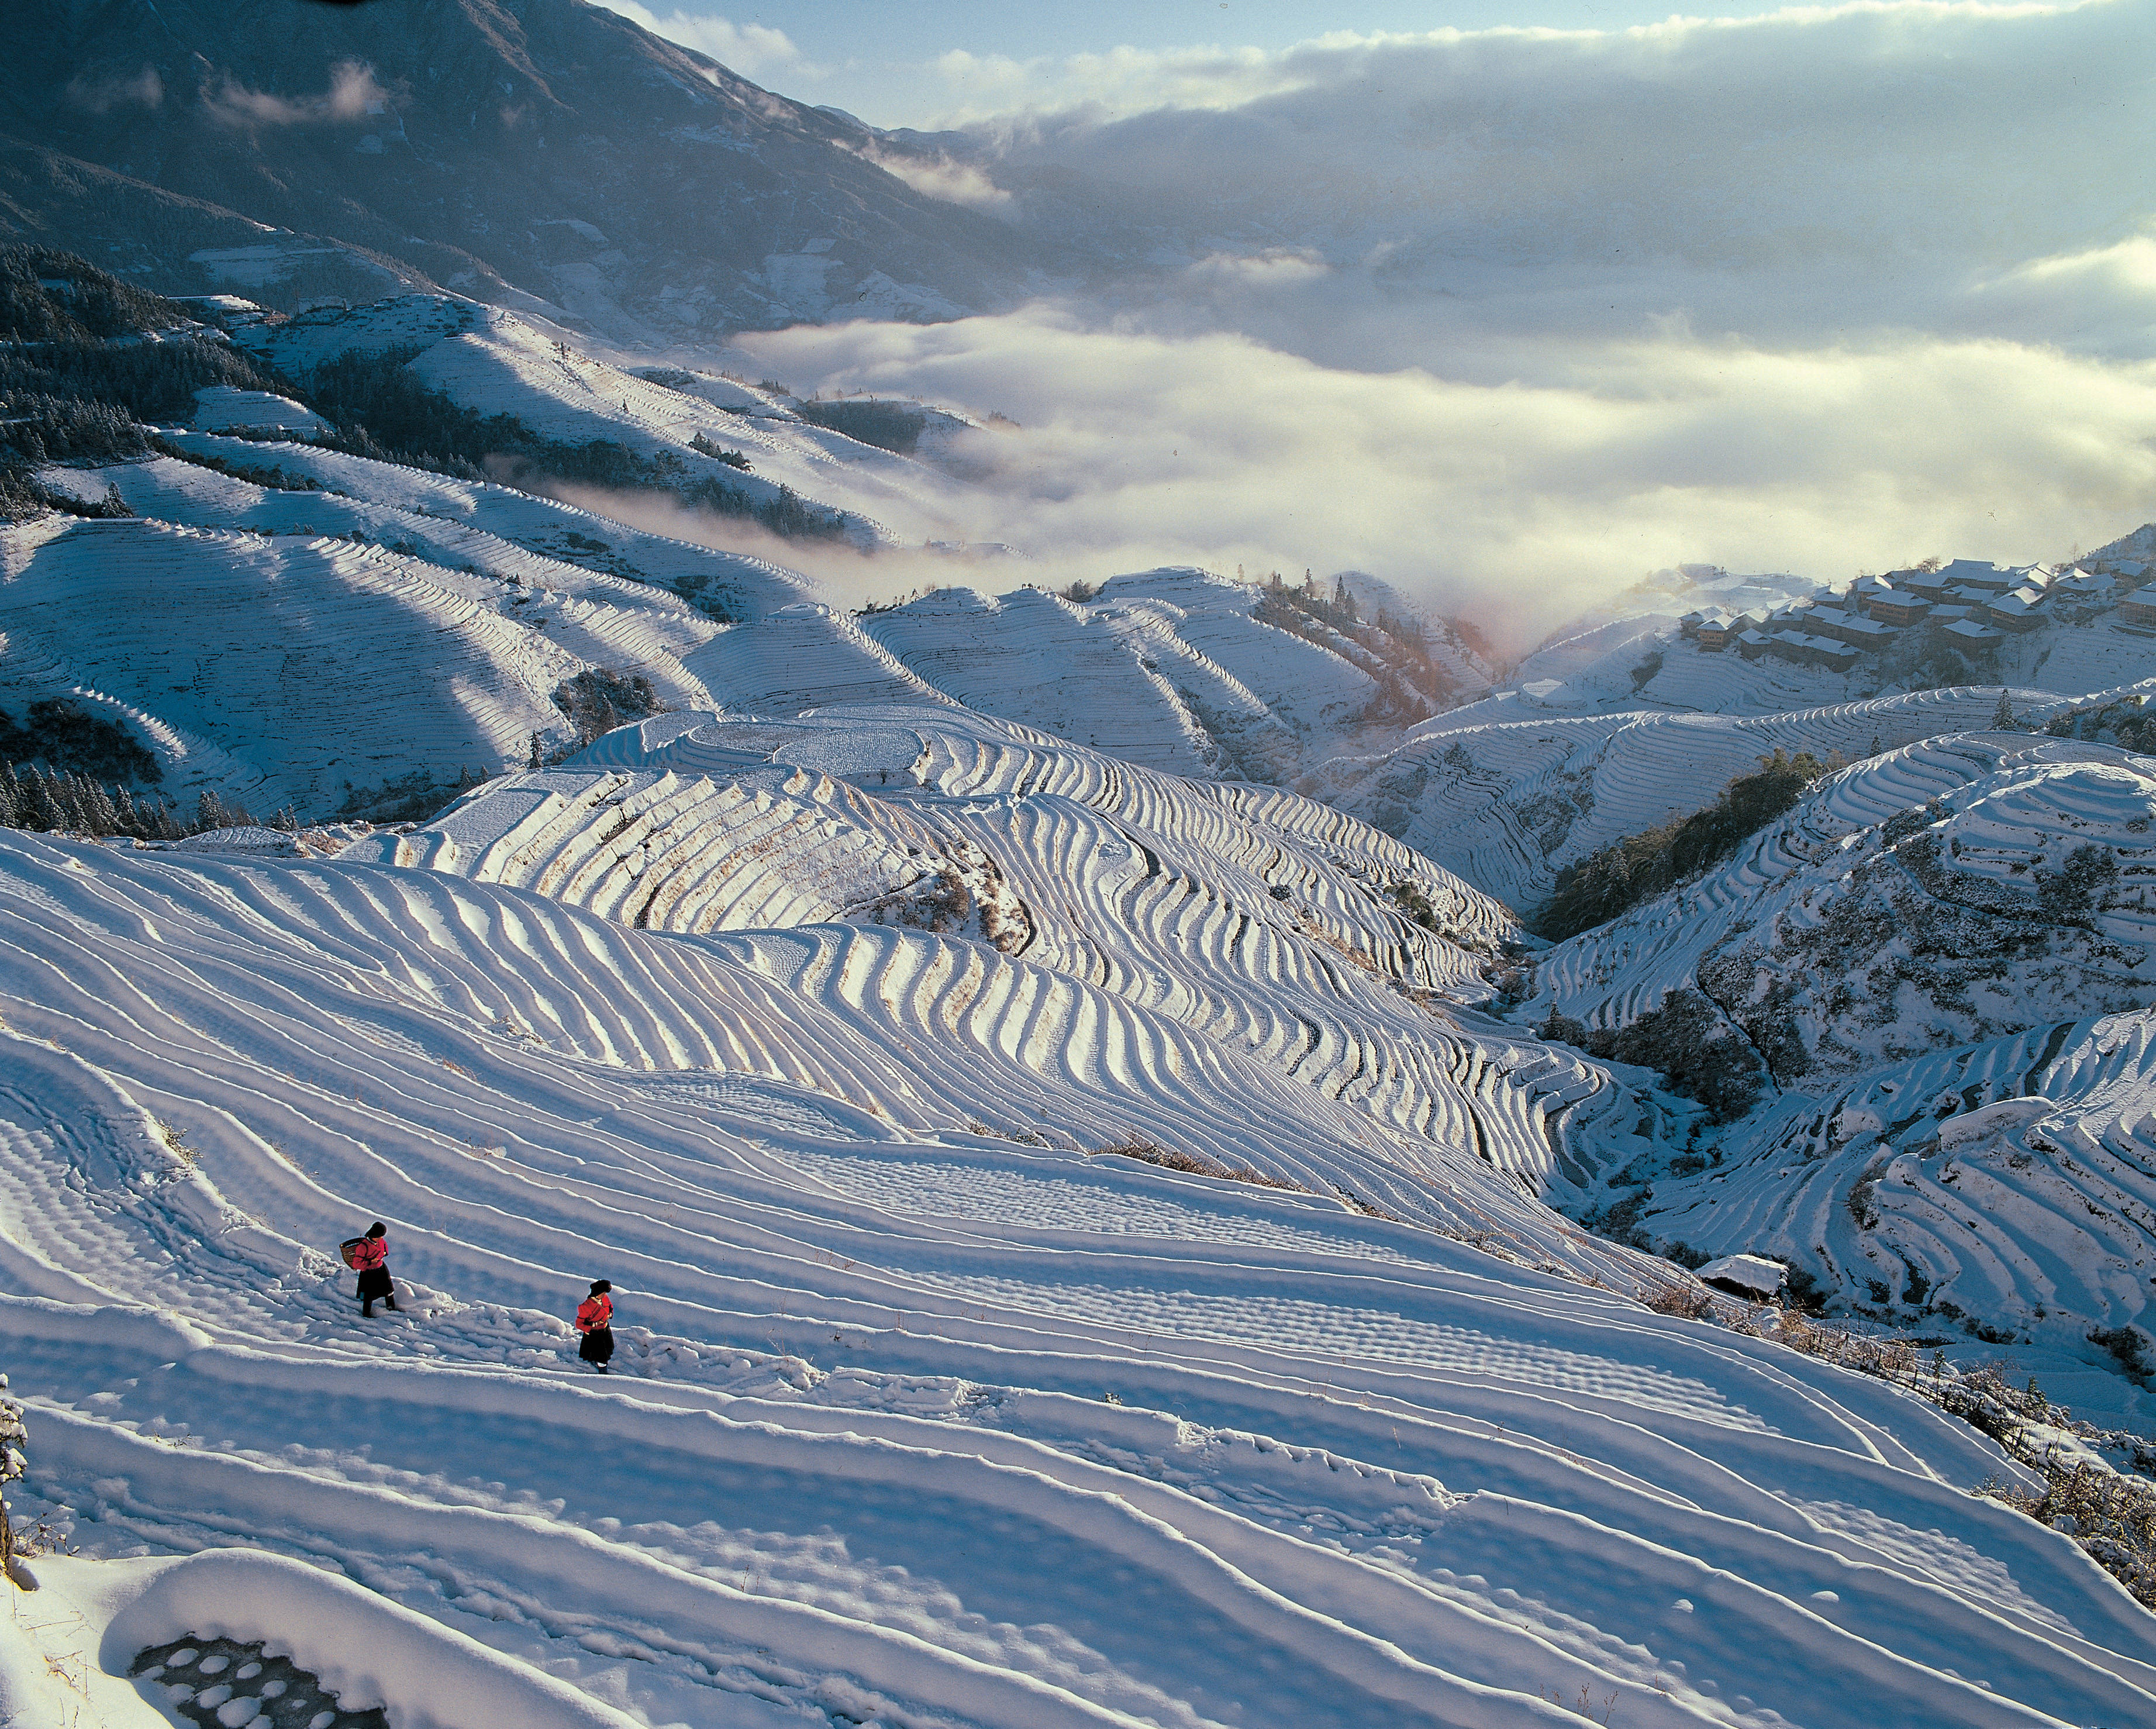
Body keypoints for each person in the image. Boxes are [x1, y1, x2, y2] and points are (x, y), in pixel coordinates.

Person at [353, 1222, 396, 1317]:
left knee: (389, 1289)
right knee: (369, 1295)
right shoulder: (363, 1247)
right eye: (380, 1236)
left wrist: (384, 1253)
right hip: (369, 1273)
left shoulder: (381, 1241)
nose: (381, 1238)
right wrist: (370, 1262)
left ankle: (391, 1307)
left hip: (381, 1269)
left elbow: (385, 1249)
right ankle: (366, 1313)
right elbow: (356, 1264)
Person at [576, 1280, 615, 1372]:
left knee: (610, 1348)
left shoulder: (605, 1298)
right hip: (596, 1333)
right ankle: (602, 1372)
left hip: (605, 1328)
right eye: (604, 1292)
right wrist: (594, 1325)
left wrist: (609, 1315)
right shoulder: (586, 1307)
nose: (604, 1295)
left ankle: (596, 1360)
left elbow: (610, 1307)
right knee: (602, 1355)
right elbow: (579, 1324)